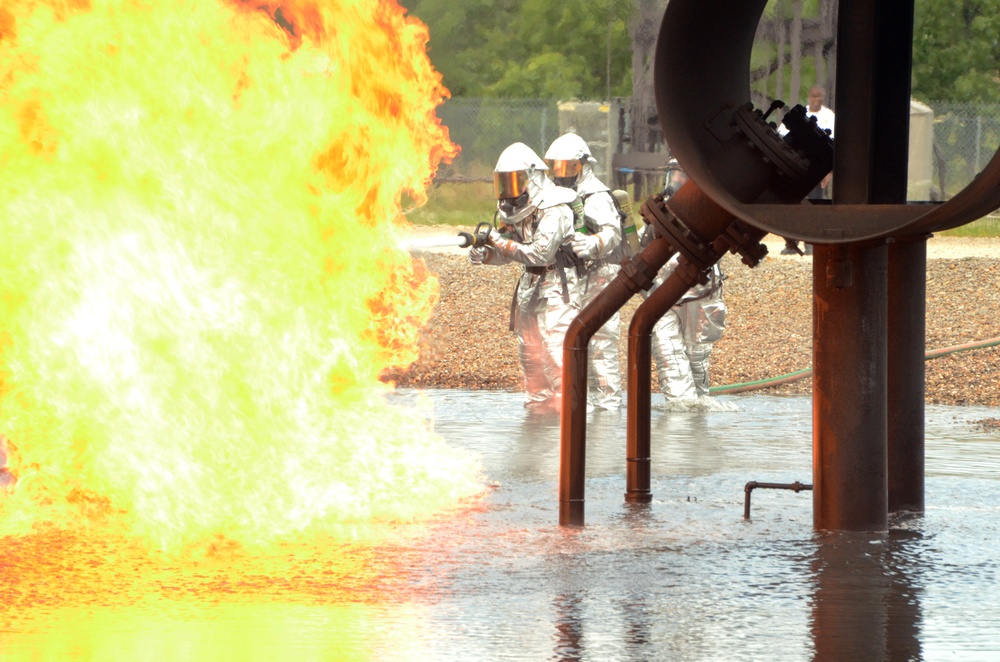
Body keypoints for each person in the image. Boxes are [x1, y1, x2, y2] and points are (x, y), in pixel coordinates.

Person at [469, 142, 578, 412]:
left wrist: (496, 240)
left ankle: (571, 421)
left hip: (557, 288)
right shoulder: (516, 212)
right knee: (530, 356)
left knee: (557, 355)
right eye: (504, 184)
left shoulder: (556, 209)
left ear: (534, 179)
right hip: (530, 286)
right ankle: (537, 416)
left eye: (515, 183)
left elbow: (540, 254)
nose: (508, 193)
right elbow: (512, 253)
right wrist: (487, 256)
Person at [544, 132, 623, 410]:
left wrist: (593, 242)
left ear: (583, 165)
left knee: (601, 343)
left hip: (600, 275)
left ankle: (608, 408)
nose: (561, 174)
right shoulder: (557, 196)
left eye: (567, 167)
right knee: (574, 339)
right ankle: (583, 407)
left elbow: (613, 233)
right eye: (556, 167)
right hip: (575, 278)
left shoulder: (597, 196)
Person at [642, 160, 727, 401]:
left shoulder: (709, 209)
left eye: (682, 176)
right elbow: (643, 246)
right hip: (663, 297)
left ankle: (694, 420)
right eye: (673, 175)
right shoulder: (659, 211)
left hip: (698, 297)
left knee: (696, 360)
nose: (676, 182)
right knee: (668, 356)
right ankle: (680, 418)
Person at [781, 85, 835, 256]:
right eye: (813, 96)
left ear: (824, 97)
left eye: (819, 96)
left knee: (813, 207)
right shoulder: (802, 115)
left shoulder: (829, 117)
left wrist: (829, 173)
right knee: (793, 206)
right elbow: (782, 135)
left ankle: (811, 242)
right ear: (808, 96)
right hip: (796, 167)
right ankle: (791, 242)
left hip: (816, 171)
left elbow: (833, 148)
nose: (816, 99)